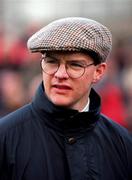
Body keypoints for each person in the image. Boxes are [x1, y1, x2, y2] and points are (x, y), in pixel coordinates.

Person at [0, 17, 132, 180]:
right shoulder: (5, 138)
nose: (60, 74)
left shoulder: (121, 143)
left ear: (99, 72)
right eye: (51, 62)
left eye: (75, 65)